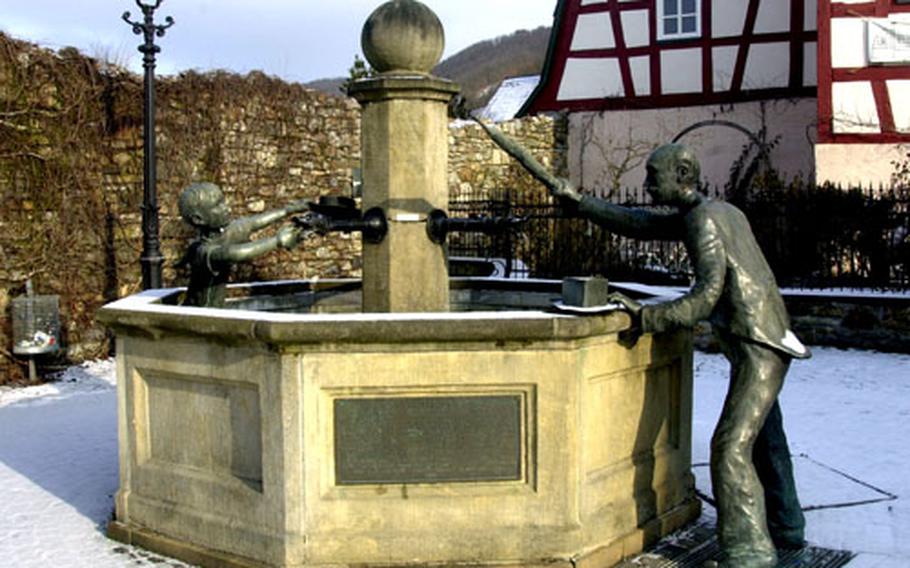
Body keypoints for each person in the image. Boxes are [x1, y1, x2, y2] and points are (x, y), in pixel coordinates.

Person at [477, 121, 808, 568]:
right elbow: (640, 224)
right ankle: (787, 526)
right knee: (766, 435)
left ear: (683, 176)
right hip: (766, 334)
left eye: (654, 177)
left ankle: (749, 552)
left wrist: (646, 315)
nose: (647, 185)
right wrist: (581, 203)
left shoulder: (704, 223)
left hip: (756, 342)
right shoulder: (717, 211)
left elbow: (704, 298)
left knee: (729, 447)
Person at [176, 182, 310, 308]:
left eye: (223, 202)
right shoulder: (204, 251)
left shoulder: (225, 233)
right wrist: (278, 241)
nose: (227, 208)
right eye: (217, 205)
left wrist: (287, 210)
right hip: (199, 316)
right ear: (198, 219)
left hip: (214, 312)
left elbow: (253, 222)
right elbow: (238, 253)